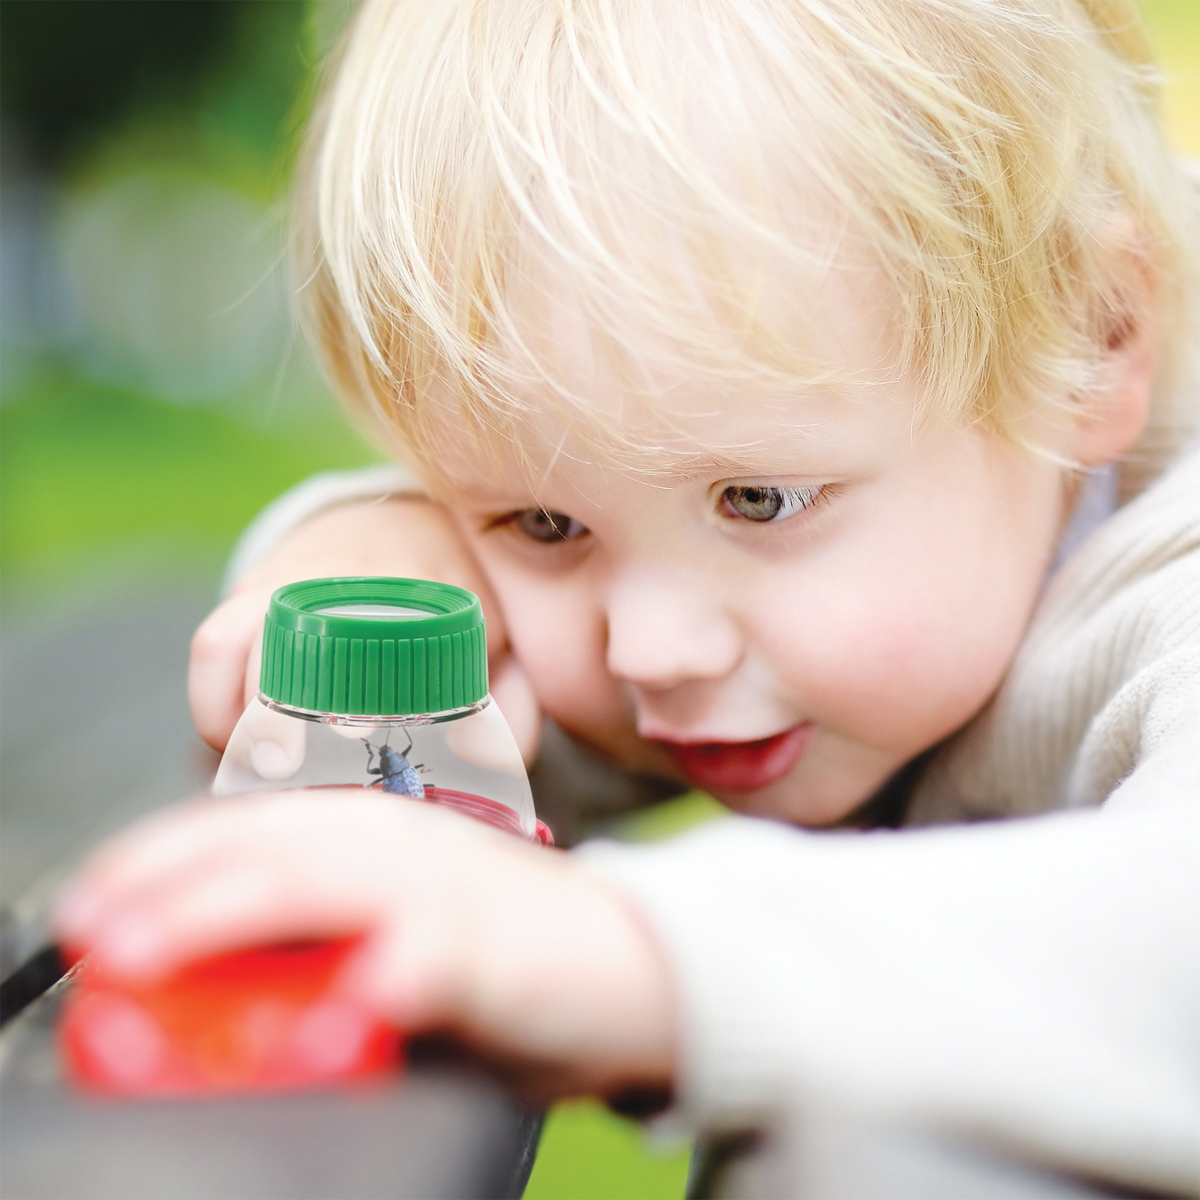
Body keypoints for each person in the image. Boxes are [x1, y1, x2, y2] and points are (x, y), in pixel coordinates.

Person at [55, 0, 1199, 1193]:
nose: (650, 650)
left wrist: (633, 956)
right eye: (544, 523)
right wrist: (384, 555)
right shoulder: (866, 576)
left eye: (758, 501)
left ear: (1096, 335)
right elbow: (442, 807)